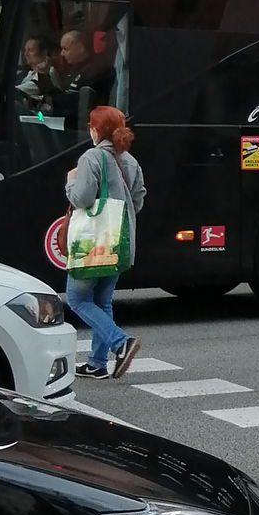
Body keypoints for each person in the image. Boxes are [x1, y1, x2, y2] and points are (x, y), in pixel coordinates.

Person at [64, 105, 145, 380]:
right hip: (119, 242)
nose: (89, 129)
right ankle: (97, 363)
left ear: (97, 129)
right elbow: (138, 201)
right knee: (102, 300)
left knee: (77, 299)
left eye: (91, 125)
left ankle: (121, 342)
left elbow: (81, 198)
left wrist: (70, 182)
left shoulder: (91, 157)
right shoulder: (129, 160)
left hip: (94, 243)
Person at [58, 28, 116, 123]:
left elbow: (84, 103)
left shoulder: (97, 69)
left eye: (65, 49)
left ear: (80, 48)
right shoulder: (71, 69)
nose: (62, 54)